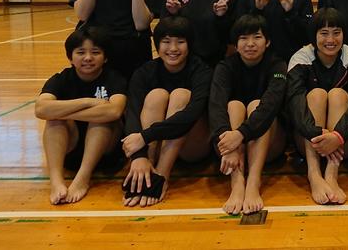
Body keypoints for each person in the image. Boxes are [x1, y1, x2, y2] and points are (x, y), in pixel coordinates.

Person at [120, 16, 212, 207]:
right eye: (166, 42)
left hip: (193, 146)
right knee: (156, 96)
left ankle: (161, 175)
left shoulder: (201, 71)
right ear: (157, 45)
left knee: (180, 95)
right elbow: (132, 112)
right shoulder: (144, 72)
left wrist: (145, 136)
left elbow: (192, 114)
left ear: (190, 45)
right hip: (154, 145)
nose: (173, 48)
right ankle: (146, 168)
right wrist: (139, 156)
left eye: (180, 42)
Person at [35, 27, 127, 205]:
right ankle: (56, 181)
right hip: (71, 149)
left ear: (105, 57)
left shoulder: (114, 79)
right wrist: (88, 101)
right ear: (70, 57)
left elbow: (114, 111)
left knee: (101, 121)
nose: (88, 58)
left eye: (95, 52)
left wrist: (65, 111)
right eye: (81, 52)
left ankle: (82, 179)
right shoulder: (61, 79)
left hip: (106, 153)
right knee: (54, 121)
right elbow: (41, 109)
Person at [287, 8, 348, 205]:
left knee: (337, 95)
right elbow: (294, 102)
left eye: (336, 33)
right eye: (324, 33)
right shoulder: (301, 58)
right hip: (309, 141)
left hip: (345, 142)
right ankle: (314, 173)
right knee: (316, 95)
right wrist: (318, 133)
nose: (330, 40)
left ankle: (332, 174)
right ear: (313, 35)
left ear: (344, 34)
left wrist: (337, 136)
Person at [209, 14, 288, 215]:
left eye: (257, 37)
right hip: (230, 149)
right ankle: (237, 182)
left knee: (256, 105)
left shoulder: (277, 65)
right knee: (234, 105)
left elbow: (271, 105)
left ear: (267, 42)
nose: (250, 44)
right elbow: (216, 106)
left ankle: (253, 181)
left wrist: (240, 134)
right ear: (235, 45)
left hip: (270, 144)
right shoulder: (225, 67)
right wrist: (229, 144)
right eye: (244, 38)